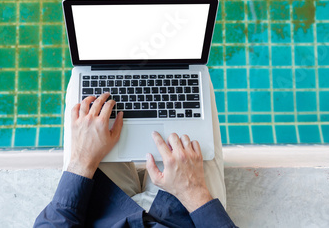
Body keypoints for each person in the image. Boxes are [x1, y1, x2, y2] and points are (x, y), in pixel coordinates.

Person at [35, 86, 237, 227]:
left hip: (99, 214)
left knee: (86, 104)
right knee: (199, 84)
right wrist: (195, 192)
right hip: (186, 216)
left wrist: (81, 161)